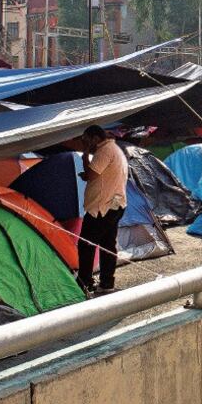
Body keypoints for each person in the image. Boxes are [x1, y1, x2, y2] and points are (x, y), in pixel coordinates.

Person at [77, 125, 128, 295]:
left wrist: (85, 155)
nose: (85, 144)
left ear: (95, 138)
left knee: (86, 244)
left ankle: (85, 281)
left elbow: (92, 174)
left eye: (86, 140)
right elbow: (95, 175)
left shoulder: (105, 151)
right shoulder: (114, 149)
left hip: (102, 208)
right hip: (114, 204)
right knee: (107, 244)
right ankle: (107, 282)